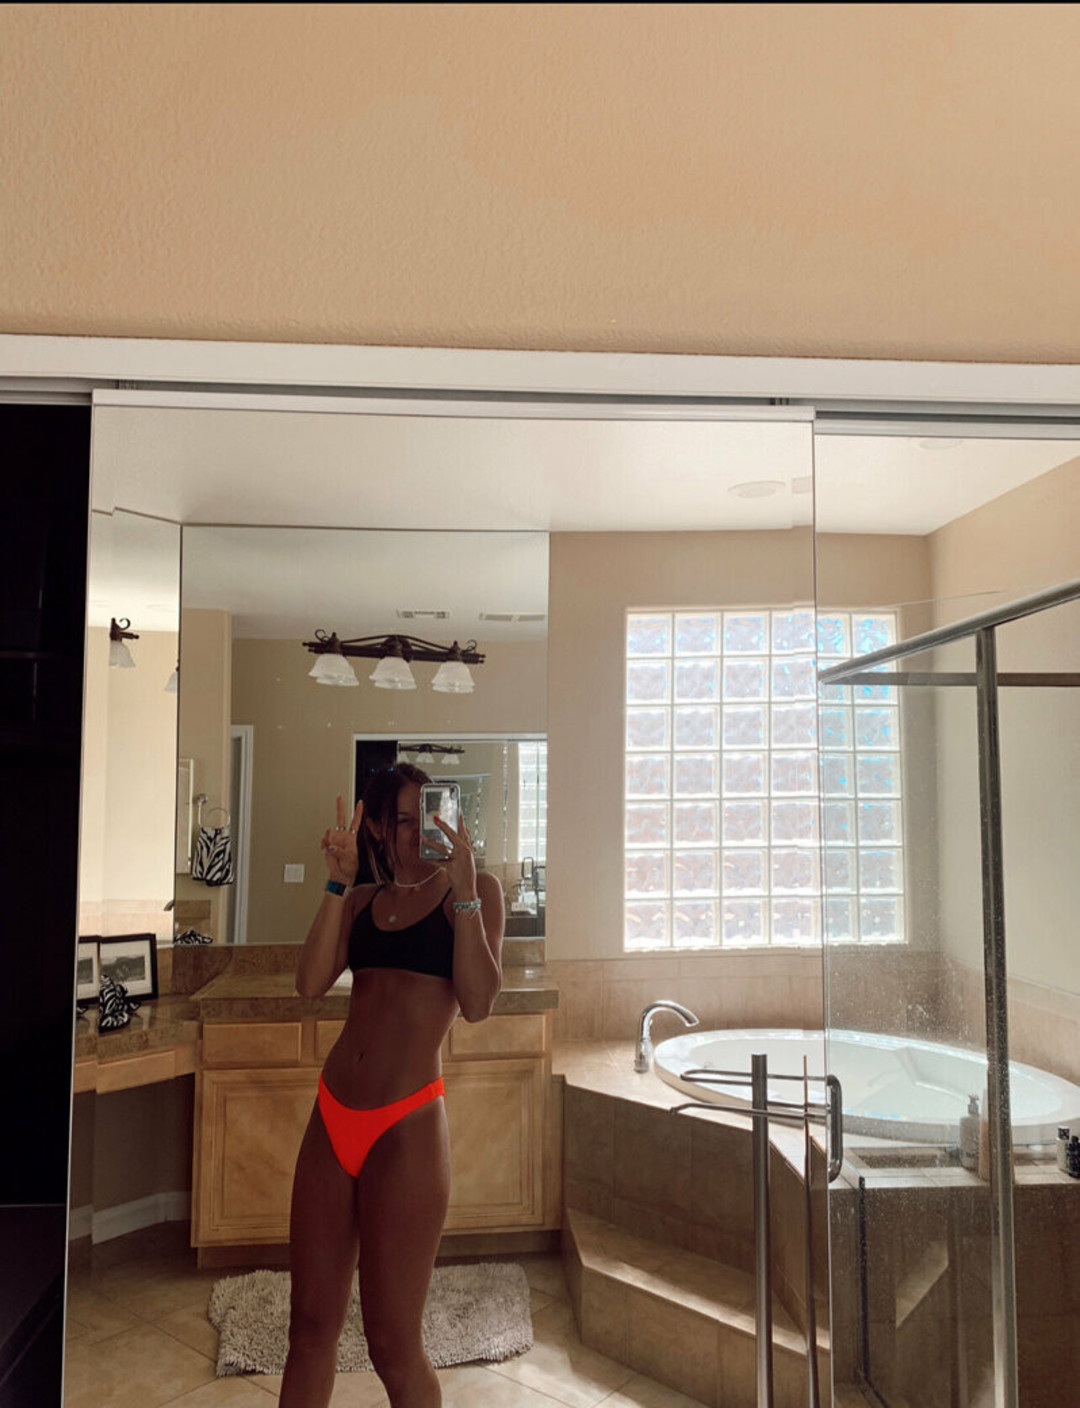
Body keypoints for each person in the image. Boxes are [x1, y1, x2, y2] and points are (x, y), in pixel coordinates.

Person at [280, 763, 504, 1408]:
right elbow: (310, 982)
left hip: (406, 1127)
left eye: (425, 817)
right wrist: (336, 881)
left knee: (392, 1344)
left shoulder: (476, 891)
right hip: (333, 1117)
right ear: (378, 827)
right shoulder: (360, 902)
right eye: (402, 820)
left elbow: (478, 1002)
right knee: (309, 1327)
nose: (415, 833)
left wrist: (464, 891)